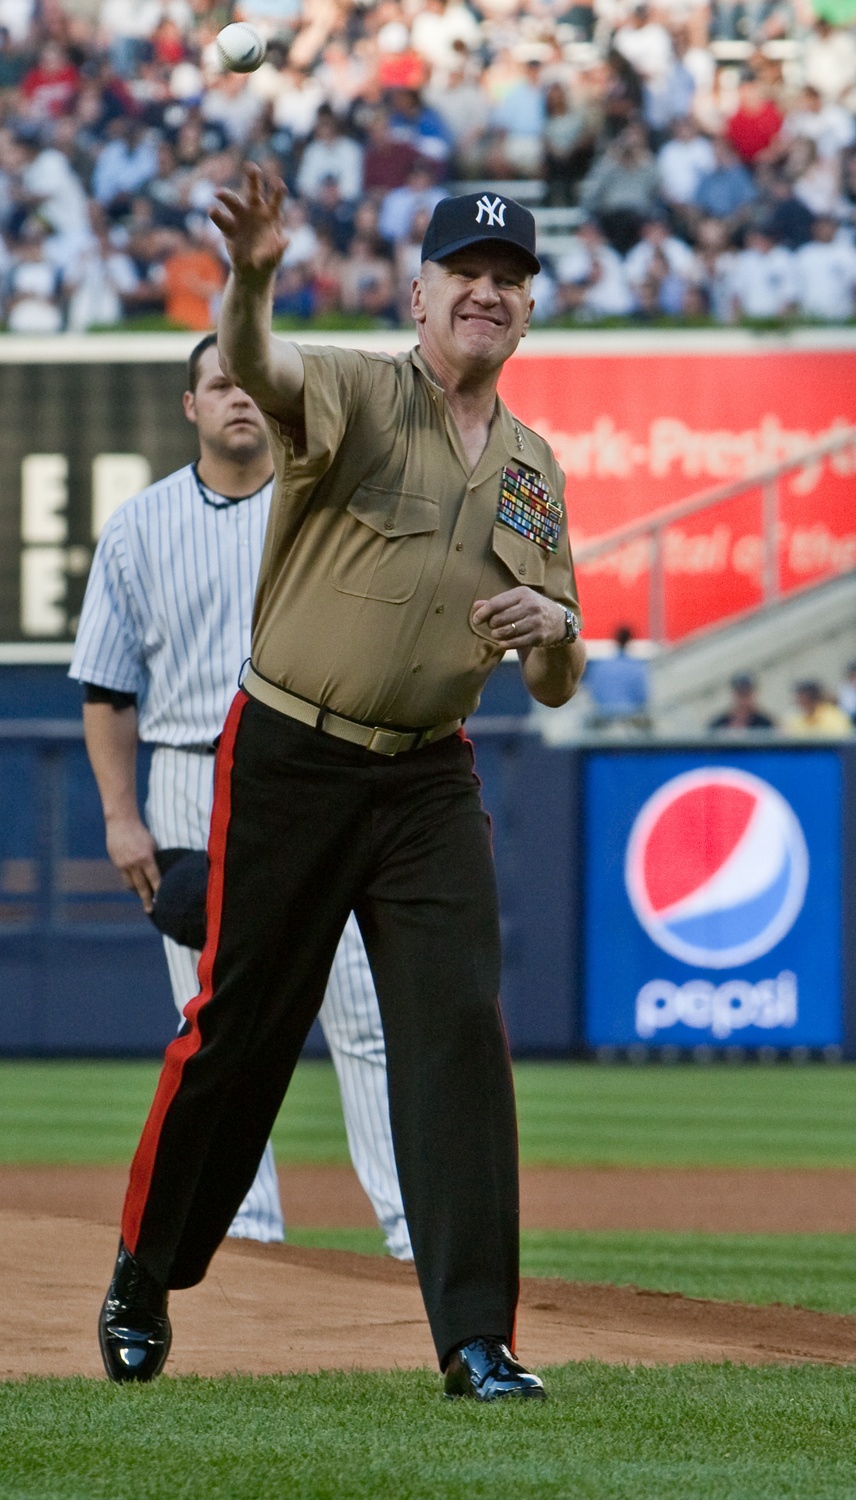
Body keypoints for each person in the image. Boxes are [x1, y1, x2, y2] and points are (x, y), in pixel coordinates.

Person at [97, 178, 584, 1403]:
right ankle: (148, 1266)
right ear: (417, 293)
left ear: (528, 309)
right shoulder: (362, 390)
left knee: (457, 1033)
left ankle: (476, 1338)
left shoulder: (531, 470)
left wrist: (555, 626)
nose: (487, 289)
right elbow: (256, 362)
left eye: (508, 275)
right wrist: (251, 275)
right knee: (242, 1029)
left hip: (428, 774)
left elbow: (563, 678)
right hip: (293, 752)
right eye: (464, 269)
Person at [71, 333, 411, 1261]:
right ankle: (249, 1231)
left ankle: (409, 1228)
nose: (237, 399)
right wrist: (119, 813)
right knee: (215, 1026)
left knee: (361, 1016)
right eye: (217, 384)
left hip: (310, 772)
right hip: (186, 771)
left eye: (248, 383)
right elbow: (107, 689)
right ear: (191, 406)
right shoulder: (139, 525)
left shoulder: (316, 509)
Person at [586, 625, 650, 726]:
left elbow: (593, 692)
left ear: (615, 640)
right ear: (630, 641)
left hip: (603, 718)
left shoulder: (600, 666)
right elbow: (642, 697)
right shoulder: (637, 667)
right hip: (630, 719)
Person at [783, 680, 854, 737]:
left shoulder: (835, 717)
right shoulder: (795, 718)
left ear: (815, 699)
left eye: (803, 700)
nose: (799, 704)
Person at [708, 672, 775, 730]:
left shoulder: (765, 724)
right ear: (733, 694)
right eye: (740, 694)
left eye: (747, 694)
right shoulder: (719, 724)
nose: (743, 700)